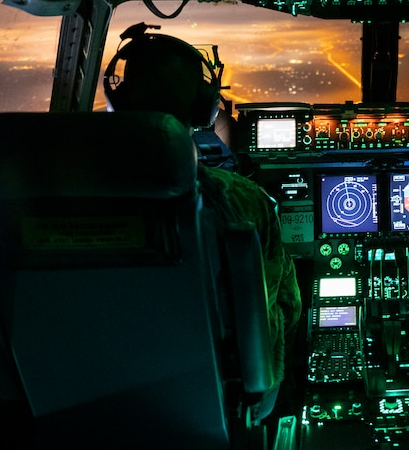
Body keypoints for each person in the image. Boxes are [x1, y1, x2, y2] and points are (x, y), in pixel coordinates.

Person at [103, 22, 302, 422]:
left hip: (89, 400)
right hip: (220, 398)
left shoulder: (56, 199)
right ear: (205, 107)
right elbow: (286, 307)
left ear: (116, 97)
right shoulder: (244, 202)